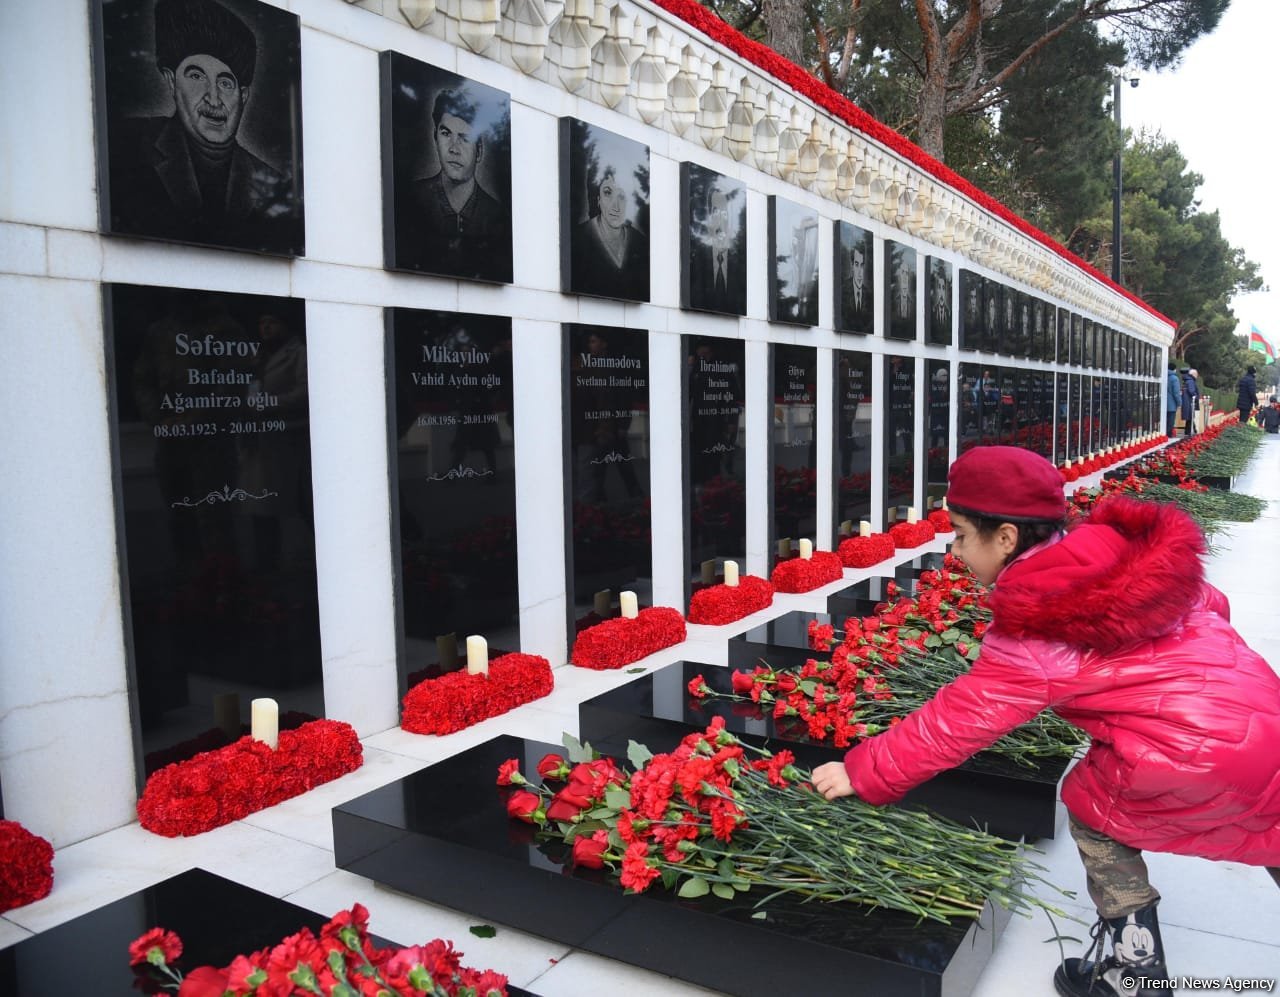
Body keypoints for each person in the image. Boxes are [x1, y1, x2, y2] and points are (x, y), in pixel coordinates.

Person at [812, 446, 1280, 997]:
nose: (955, 551)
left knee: (1094, 808)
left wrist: (865, 771)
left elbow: (959, 720)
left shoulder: (1038, 625)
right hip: (1267, 721)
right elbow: (1213, 604)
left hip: (1193, 748)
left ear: (1006, 538)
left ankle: (1133, 973)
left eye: (961, 534)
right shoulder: (1122, 555)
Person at [107, 0, 298, 251]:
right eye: (196, 76)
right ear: (172, 82)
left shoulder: (269, 180)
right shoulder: (129, 146)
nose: (214, 98)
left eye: (225, 83)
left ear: (243, 96)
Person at [403, 87, 510, 282]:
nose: (453, 148)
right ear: (435, 137)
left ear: (479, 150)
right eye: (446, 134)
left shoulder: (497, 216)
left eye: (465, 138)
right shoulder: (410, 202)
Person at [571, 165, 649, 302]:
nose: (616, 206)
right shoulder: (577, 239)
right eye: (608, 193)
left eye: (622, 196)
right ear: (598, 200)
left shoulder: (641, 243)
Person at [688, 185, 745, 315]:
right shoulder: (699, 254)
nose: (721, 219)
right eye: (716, 213)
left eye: (724, 214)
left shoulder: (736, 257)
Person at [1179, 367, 1200, 436]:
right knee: (1190, 416)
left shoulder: (1187, 380)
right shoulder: (1190, 381)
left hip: (1188, 401)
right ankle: (1190, 431)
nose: (1197, 376)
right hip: (1189, 402)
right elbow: (1191, 391)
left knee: (1190, 417)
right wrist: (1196, 396)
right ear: (1193, 374)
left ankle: (1190, 430)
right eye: (1196, 374)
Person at [1164, 362, 1182, 436]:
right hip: (1171, 404)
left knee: (1164, 420)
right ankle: (1168, 435)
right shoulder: (1174, 378)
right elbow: (1176, 393)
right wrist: (1179, 403)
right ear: (1174, 369)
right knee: (1170, 421)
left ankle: (1162, 434)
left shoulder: (1163, 376)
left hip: (1163, 403)